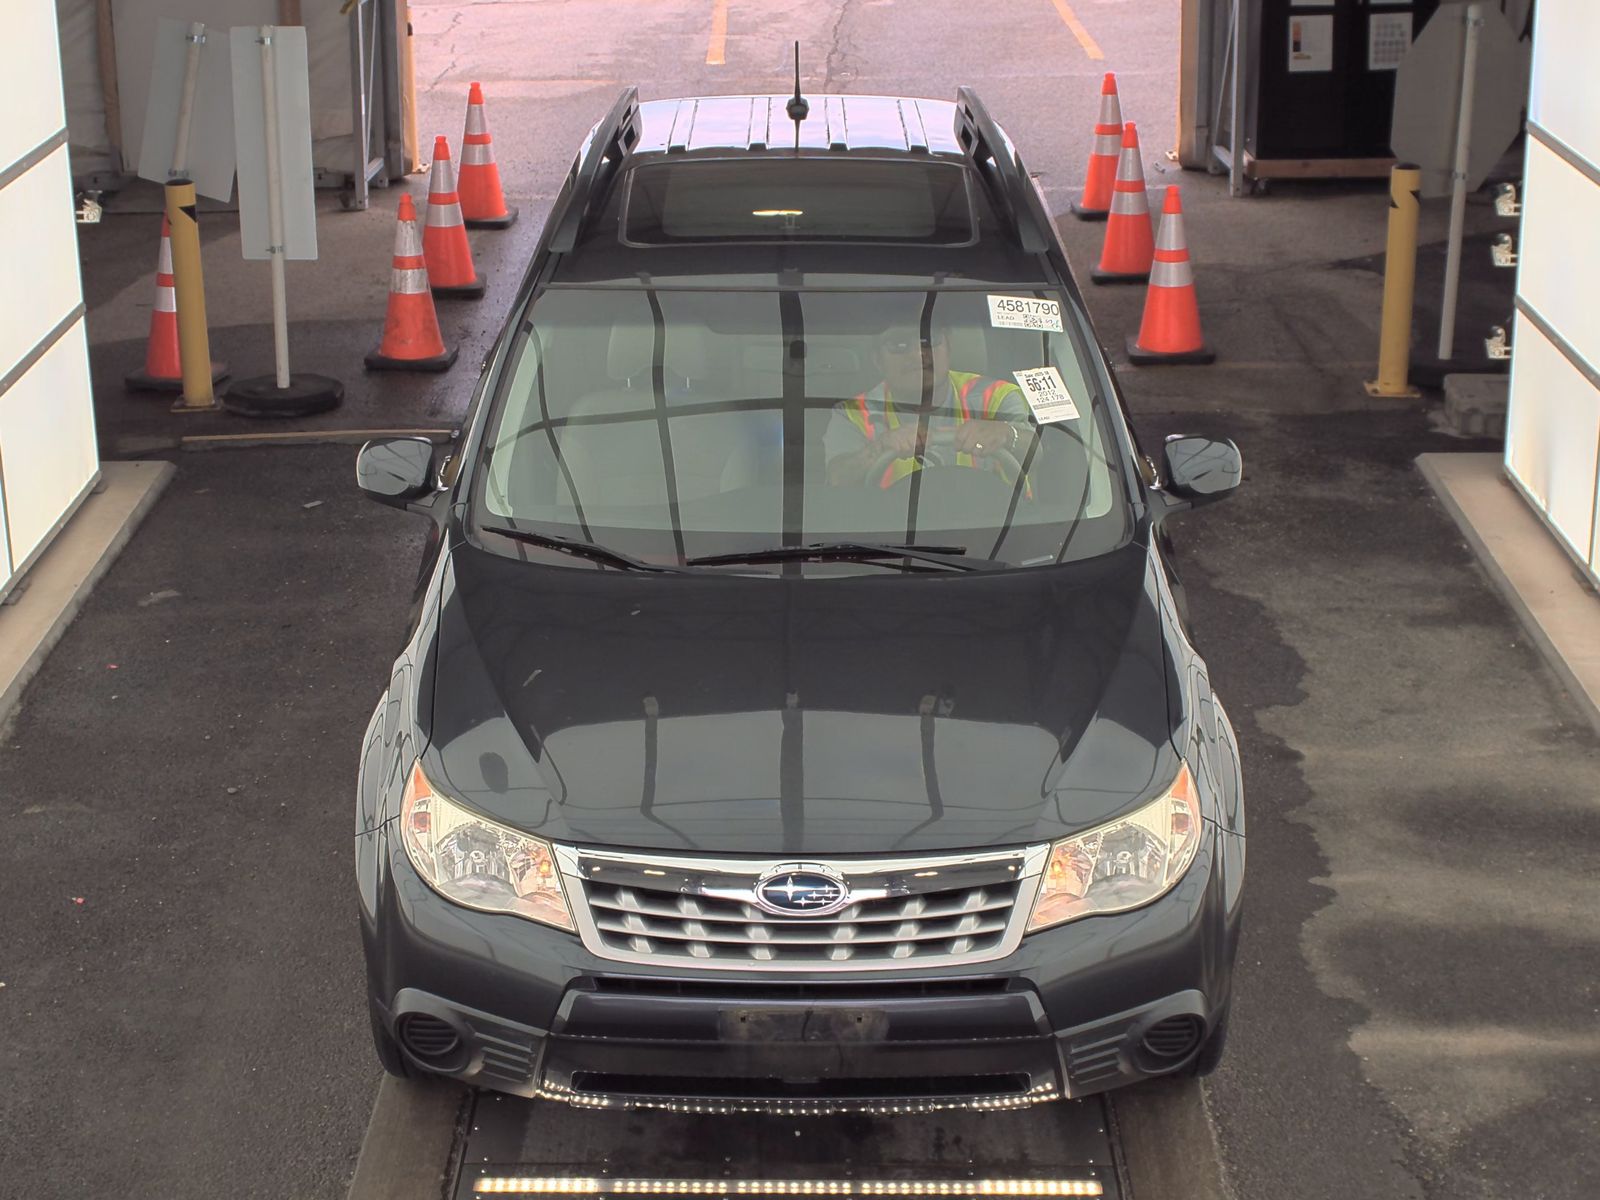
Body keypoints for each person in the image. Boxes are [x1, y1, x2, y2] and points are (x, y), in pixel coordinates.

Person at [824, 324, 1032, 488]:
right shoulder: (853, 413)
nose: (918, 355)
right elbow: (837, 479)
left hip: (999, 532)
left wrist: (1007, 434)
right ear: (878, 360)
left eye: (929, 340)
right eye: (899, 345)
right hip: (892, 536)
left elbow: (1037, 452)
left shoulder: (997, 395)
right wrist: (879, 448)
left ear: (948, 346)